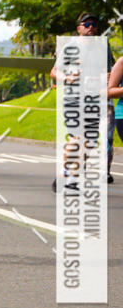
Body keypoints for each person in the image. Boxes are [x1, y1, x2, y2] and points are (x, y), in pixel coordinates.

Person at [50, 12, 115, 190]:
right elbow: (55, 72)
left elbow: (110, 70)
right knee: (77, 137)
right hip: (75, 99)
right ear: (79, 28)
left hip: (95, 99)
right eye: (87, 25)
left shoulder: (104, 46)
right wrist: (68, 78)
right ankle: (64, 175)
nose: (91, 27)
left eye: (94, 24)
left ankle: (69, 176)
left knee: (89, 141)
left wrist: (107, 77)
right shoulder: (71, 47)